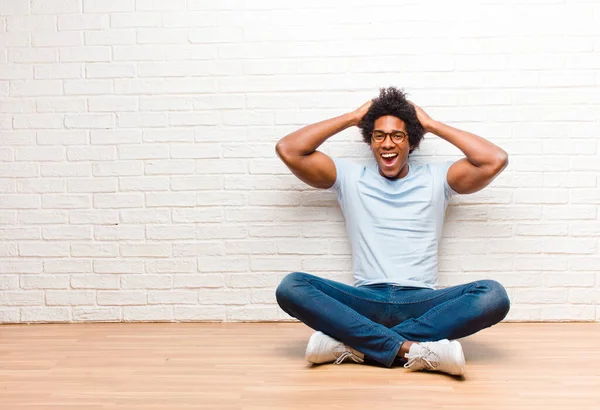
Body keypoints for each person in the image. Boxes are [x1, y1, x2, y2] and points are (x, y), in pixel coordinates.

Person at [274, 87, 511, 377]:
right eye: (379, 135)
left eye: (397, 135)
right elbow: (289, 149)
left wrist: (432, 124)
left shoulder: (438, 177)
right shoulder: (349, 175)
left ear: (411, 141)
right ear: (370, 141)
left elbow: (494, 159)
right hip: (364, 301)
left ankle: (356, 345)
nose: (388, 143)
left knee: (493, 296)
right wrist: (352, 117)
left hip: (421, 303)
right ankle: (411, 350)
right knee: (291, 286)